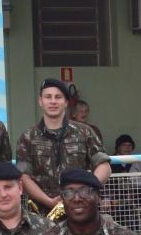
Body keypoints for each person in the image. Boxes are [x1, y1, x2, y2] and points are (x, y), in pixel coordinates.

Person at [18, 79, 111, 213]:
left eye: (58, 97)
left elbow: (104, 166)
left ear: (66, 102)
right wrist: (48, 201)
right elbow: (23, 177)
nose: (53, 101)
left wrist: (84, 191)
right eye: (48, 97)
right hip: (42, 215)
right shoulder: (28, 137)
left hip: (80, 210)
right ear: (40, 101)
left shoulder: (84, 132)